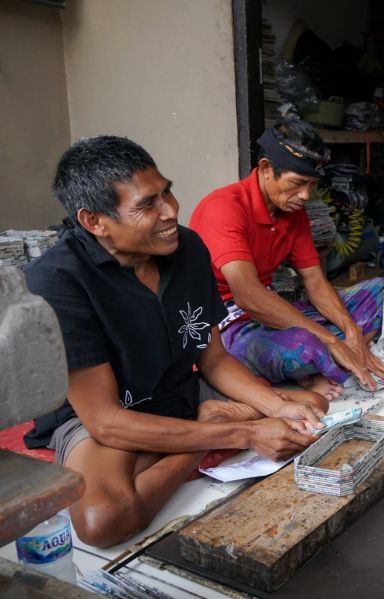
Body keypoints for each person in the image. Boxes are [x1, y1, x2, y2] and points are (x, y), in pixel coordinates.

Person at [23, 136, 328, 548]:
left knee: (310, 408)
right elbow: (106, 421)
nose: (170, 211)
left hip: (176, 387)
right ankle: (204, 430)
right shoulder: (57, 281)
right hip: (108, 415)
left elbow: (214, 358)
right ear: (95, 221)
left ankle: (195, 430)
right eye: (147, 204)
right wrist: (238, 433)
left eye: (166, 192)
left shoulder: (186, 248)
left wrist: (278, 406)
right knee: (104, 520)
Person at [189, 117, 384, 396]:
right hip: (226, 324)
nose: (305, 195)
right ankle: (322, 363)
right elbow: (247, 295)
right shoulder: (223, 208)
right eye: (298, 183)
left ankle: (342, 352)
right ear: (266, 169)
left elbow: (315, 281)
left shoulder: (292, 213)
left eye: (312, 185)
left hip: (271, 310)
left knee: (381, 292)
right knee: (303, 347)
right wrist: (332, 340)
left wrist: (351, 329)